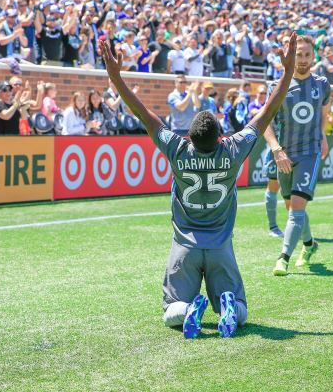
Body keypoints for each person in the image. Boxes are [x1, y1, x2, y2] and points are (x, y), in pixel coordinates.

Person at [98, 31, 295, 339]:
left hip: (184, 247)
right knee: (241, 313)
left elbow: (143, 113)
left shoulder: (177, 148)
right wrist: (288, 72)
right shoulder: (232, 149)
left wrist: (116, 77)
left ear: (190, 137)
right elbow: (266, 112)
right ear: (220, 137)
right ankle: (227, 308)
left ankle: (190, 310)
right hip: (220, 246)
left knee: (171, 313)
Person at [265, 34, 331, 276]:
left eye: (306, 54)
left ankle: (283, 258)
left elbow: (324, 114)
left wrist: (322, 136)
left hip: (309, 152)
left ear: (314, 56)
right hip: (284, 154)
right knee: (291, 206)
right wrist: (276, 149)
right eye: (298, 54)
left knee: (296, 208)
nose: (302, 59)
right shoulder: (276, 86)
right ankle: (310, 244)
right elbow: (265, 123)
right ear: (290, 56)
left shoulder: (322, 84)